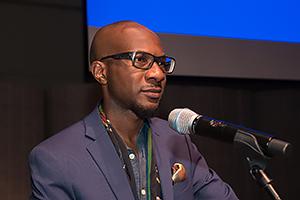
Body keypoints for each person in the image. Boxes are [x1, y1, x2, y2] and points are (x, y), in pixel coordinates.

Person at [29, 21, 238, 200]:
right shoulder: (56, 158)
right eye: (141, 60)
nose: (158, 73)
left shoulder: (176, 140)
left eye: (161, 63)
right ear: (101, 72)